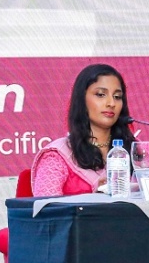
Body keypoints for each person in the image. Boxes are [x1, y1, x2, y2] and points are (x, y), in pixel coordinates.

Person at [30, 63, 137, 197]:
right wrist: (95, 199)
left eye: (117, 97)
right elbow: (48, 211)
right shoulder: (57, 156)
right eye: (100, 94)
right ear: (82, 100)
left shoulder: (134, 150)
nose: (111, 103)